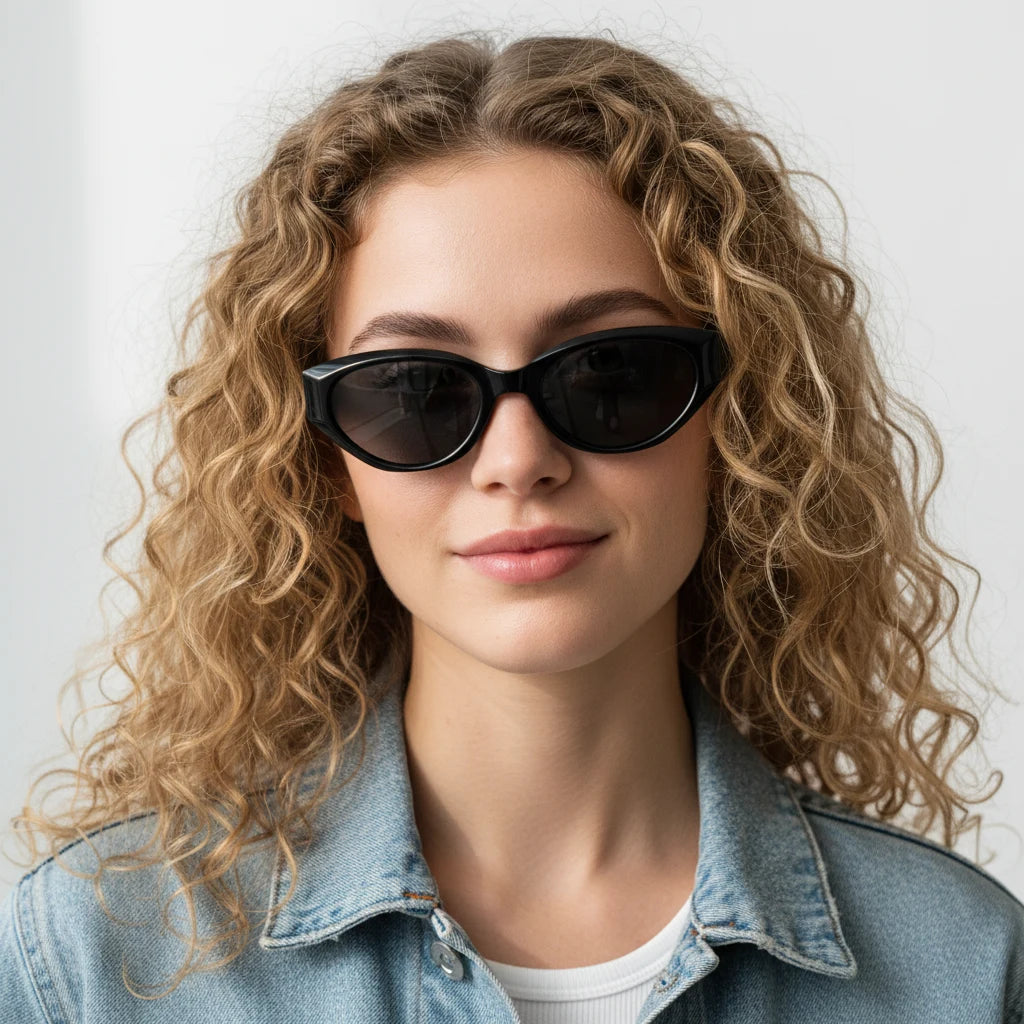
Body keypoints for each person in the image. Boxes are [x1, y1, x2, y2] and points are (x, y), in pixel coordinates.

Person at [2, 29, 1021, 1024]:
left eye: (611, 372)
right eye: (414, 390)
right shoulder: (95, 963)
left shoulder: (966, 970)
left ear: (738, 419)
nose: (517, 459)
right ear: (325, 460)